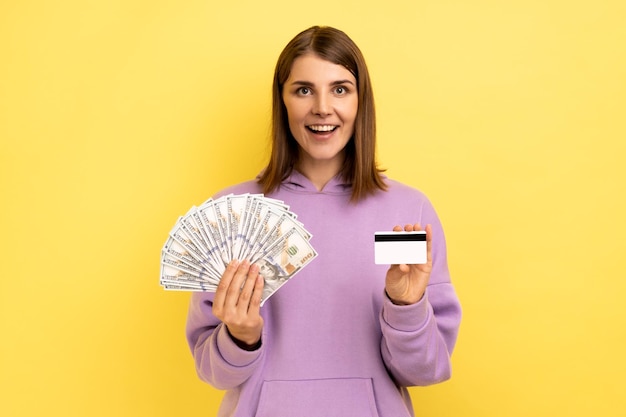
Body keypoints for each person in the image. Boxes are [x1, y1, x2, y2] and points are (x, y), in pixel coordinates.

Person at [186, 25, 462, 417]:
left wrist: (406, 306)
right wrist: (241, 337)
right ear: (281, 101)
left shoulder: (407, 211)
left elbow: (426, 370)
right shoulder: (232, 213)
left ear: (359, 101)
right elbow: (212, 372)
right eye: (303, 90)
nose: (322, 107)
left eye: (339, 89)